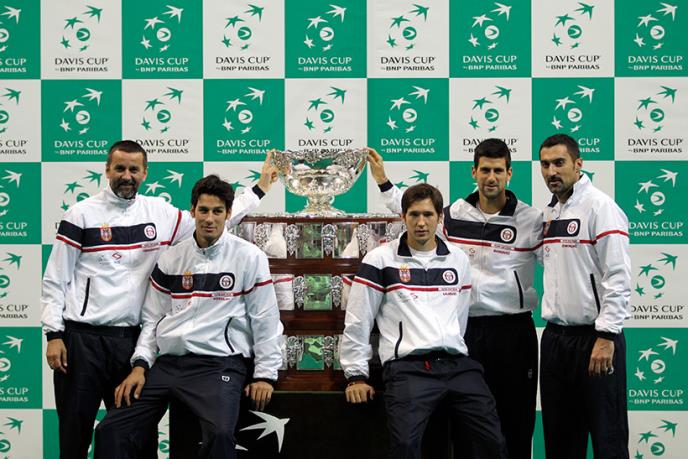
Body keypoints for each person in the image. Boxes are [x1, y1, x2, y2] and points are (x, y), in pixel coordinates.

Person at [41, 140, 278, 458]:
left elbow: (213, 220)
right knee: (75, 434)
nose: (127, 175)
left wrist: (259, 188)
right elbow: (55, 277)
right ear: (107, 170)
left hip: (129, 342)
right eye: (120, 168)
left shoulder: (160, 213)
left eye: (134, 169)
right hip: (82, 340)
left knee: (135, 439)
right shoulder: (81, 214)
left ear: (145, 173)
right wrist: (53, 333)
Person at [368, 139, 541, 459]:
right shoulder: (454, 214)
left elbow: (560, 260)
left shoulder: (530, 219)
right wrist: (383, 181)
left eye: (498, 170)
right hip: (466, 333)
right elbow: (413, 212)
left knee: (515, 421)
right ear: (474, 172)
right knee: (467, 429)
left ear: (509, 173)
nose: (491, 177)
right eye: (485, 170)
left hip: (513, 333)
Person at [94, 174, 283, 458]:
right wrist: (140, 365)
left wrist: (265, 375)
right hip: (168, 365)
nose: (210, 219)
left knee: (220, 435)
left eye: (217, 211)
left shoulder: (249, 257)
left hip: (219, 365)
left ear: (228, 213)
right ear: (192, 211)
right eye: (203, 210)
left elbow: (265, 318)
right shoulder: (171, 258)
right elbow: (152, 319)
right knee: (110, 430)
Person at [340, 183, 509, 459]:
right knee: (405, 446)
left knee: (492, 441)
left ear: (439, 217)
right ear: (403, 217)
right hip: (408, 369)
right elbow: (359, 318)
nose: (421, 223)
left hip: (458, 366)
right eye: (414, 215)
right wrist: (356, 375)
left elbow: (459, 317)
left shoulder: (457, 259)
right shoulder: (380, 259)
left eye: (428, 215)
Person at [538, 133, 631, 459]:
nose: (551, 171)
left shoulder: (600, 207)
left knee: (608, 441)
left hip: (595, 340)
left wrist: (606, 335)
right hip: (555, 340)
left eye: (559, 163)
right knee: (561, 444)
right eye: (545, 164)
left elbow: (618, 275)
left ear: (578, 164)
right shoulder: (549, 214)